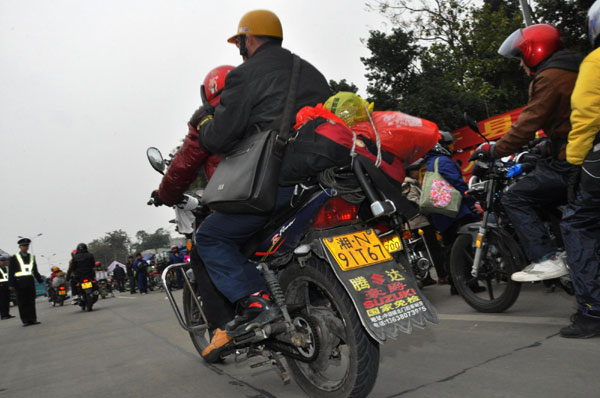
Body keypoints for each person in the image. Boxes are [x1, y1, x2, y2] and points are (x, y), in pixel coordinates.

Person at [192, 9, 331, 361]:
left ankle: (256, 302)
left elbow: (220, 137)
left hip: (275, 183)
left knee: (211, 237)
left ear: (248, 39)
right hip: (321, 177)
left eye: (240, 42)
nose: (240, 49)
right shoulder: (310, 71)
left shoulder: (244, 75)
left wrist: (206, 121)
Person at [472, 24, 582, 282]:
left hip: (572, 159)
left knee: (515, 198)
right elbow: (566, 119)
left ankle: (547, 258)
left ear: (534, 52)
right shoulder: (575, 66)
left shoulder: (550, 76)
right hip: (578, 150)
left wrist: (494, 149)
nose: (521, 65)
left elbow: (528, 123)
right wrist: (543, 146)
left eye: (521, 58)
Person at [558, 0, 600, 339]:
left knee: (578, 223)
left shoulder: (595, 61)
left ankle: (592, 311)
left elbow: (585, 117)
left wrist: (574, 163)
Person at [424, 133, 482, 295]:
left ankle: (456, 285)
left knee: (450, 248)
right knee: (463, 248)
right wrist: (472, 202)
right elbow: (458, 184)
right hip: (454, 211)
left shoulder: (431, 162)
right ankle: (470, 284)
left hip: (442, 213)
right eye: (449, 145)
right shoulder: (442, 161)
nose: (451, 148)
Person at [402, 160, 448, 285]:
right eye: (415, 170)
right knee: (432, 250)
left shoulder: (413, 184)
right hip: (419, 223)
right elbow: (413, 202)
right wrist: (427, 206)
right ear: (410, 172)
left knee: (423, 250)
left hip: (418, 222)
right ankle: (441, 275)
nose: (418, 172)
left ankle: (427, 277)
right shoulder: (409, 185)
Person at [8, 238, 44, 326]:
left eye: (27, 245)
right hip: (19, 283)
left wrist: (39, 280)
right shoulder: (13, 258)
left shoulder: (31, 257)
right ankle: (25, 320)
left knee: (31, 301)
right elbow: (11, 272)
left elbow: (35, 270)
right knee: (22, 302)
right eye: (24, 246)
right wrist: (11, 284)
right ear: (20, 247)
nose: (26, 247)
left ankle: (33, 319)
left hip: (29, 282)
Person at [0, 255, 15, 320]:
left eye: (4, 261)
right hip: (1, 286)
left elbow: (10, 276)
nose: (3, 262)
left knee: (7, 300)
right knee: (2, 301)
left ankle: (7, 314)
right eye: (2, 261)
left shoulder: (7, 268)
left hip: (7, 286)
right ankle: (3, 315)